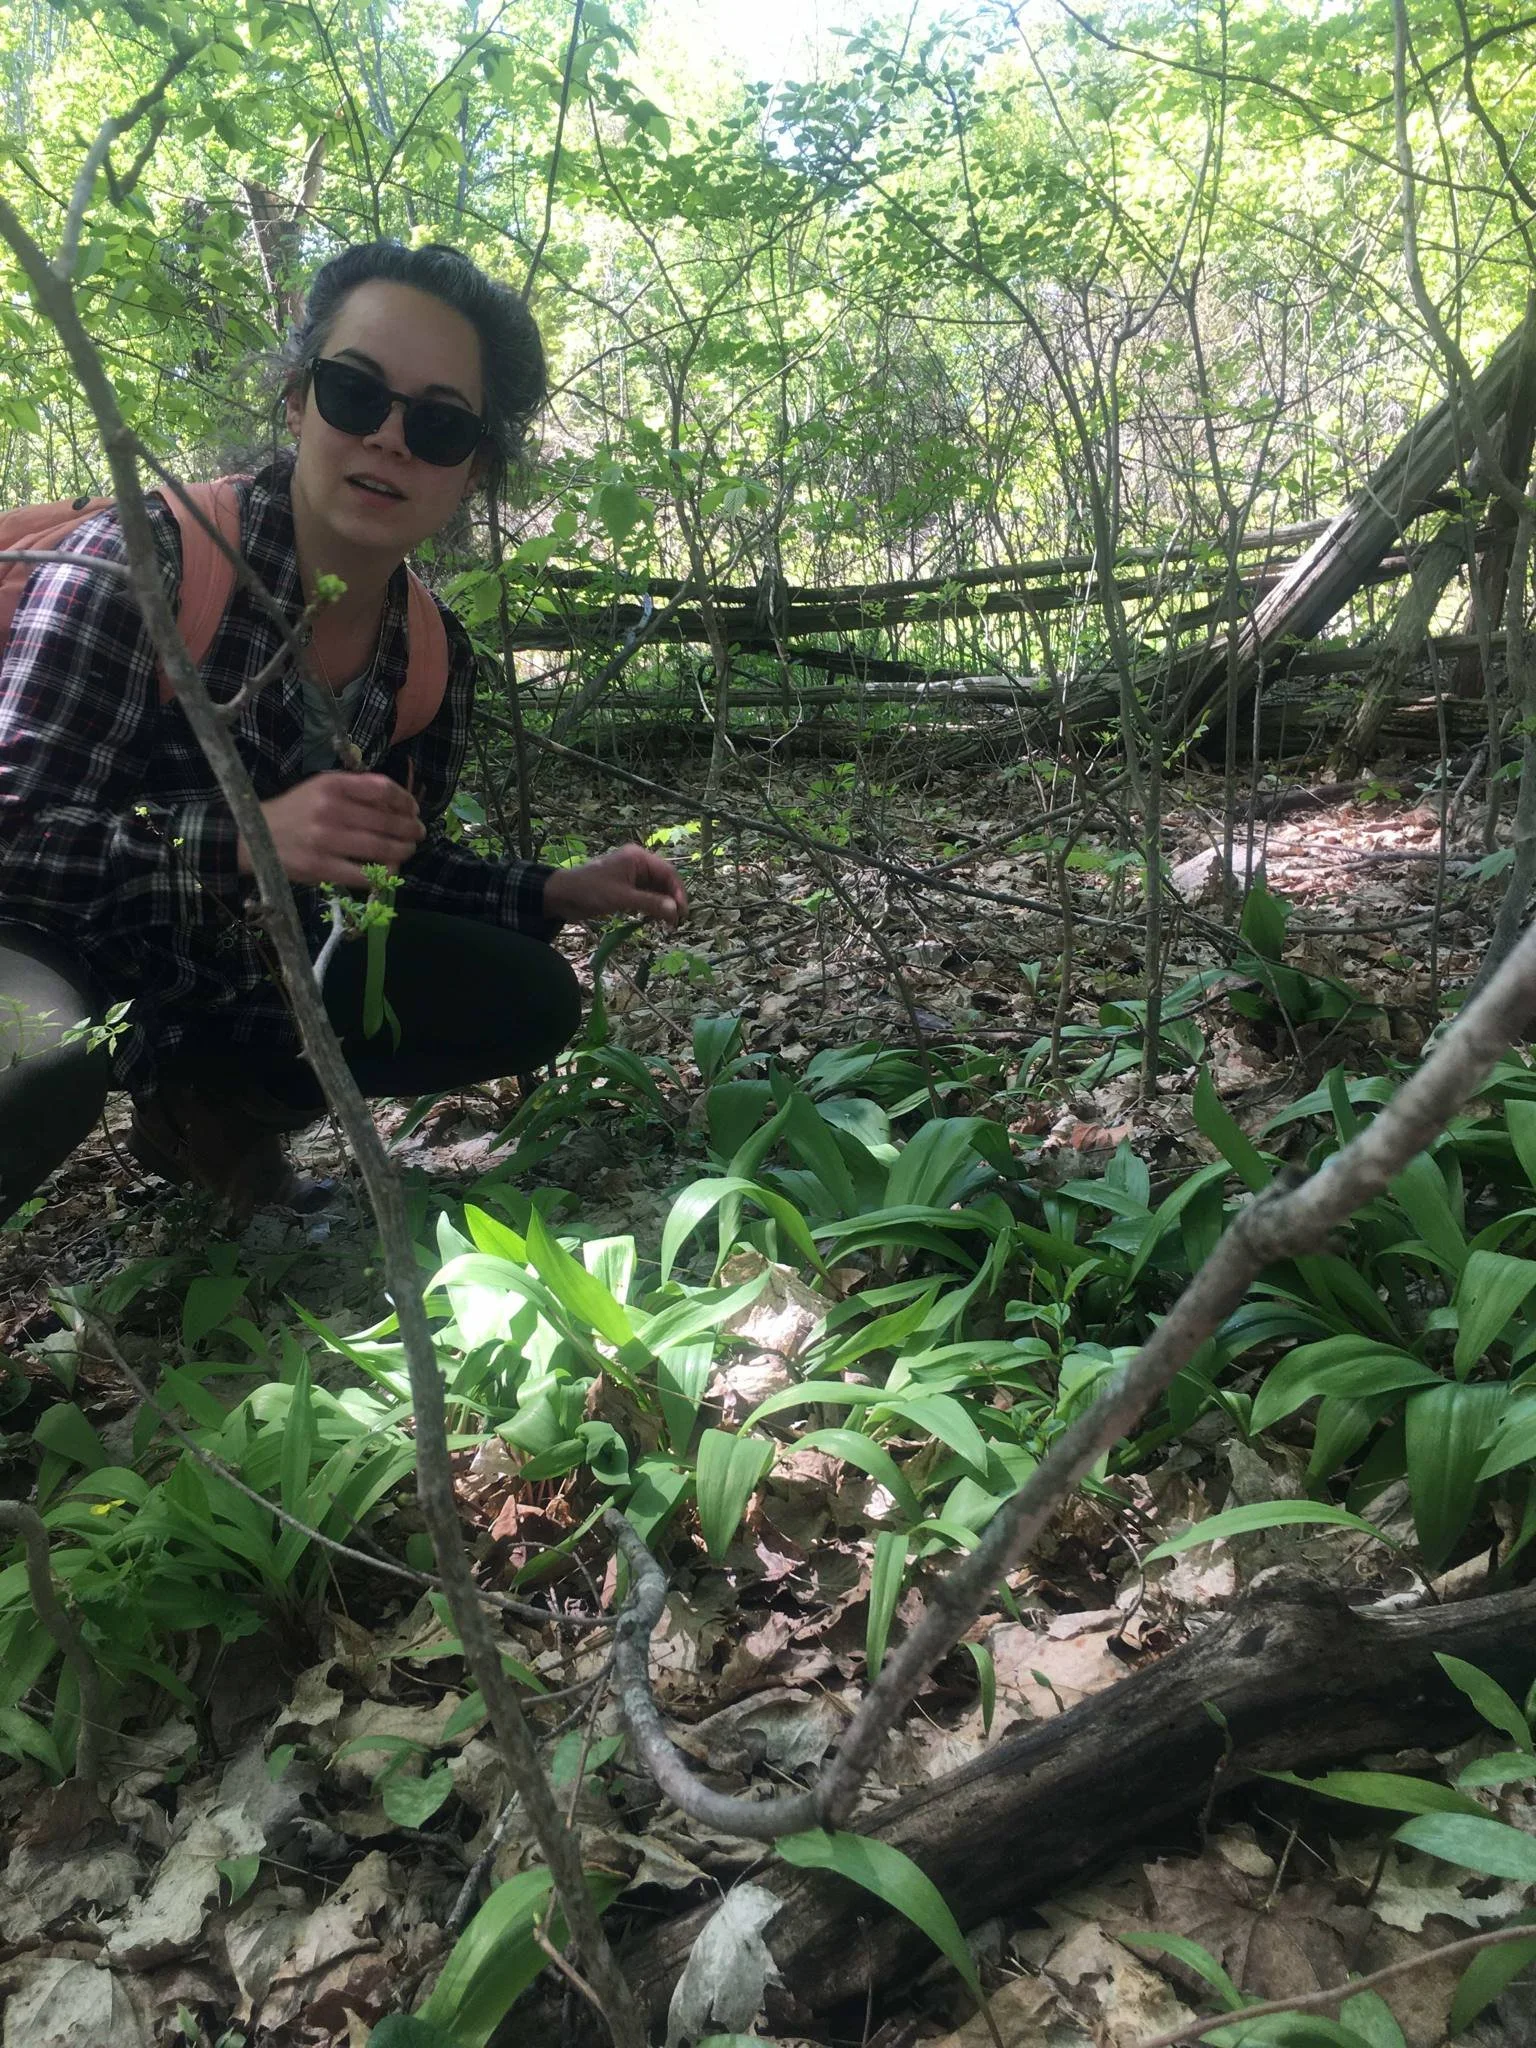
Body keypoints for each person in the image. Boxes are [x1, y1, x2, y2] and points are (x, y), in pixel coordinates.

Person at [0, 240, 686, 1222]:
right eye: (356, 392)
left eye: (442, 423)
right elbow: (12, 835)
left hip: (218, 973)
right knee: (28, 1056)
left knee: (523, 993)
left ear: (474, 469)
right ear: (297, 403)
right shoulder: (142, 555)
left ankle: (209, 1106)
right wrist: (243, 839)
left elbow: (387, 867)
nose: (393, 440)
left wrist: (553, 889)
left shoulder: (429, 656)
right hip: (44, 939)